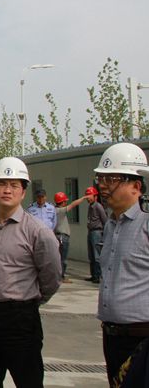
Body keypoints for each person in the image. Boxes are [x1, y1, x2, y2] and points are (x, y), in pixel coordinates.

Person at [0, 157, 62, 388]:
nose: (7, 190)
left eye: (14, 185)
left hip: (20, 318)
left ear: (23, 192)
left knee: (27, 380)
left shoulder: (37, 231)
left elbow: (51, 276)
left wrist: (28, 302)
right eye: (1, 184)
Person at [92, 143, 149, 387]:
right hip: (112, 337)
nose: (104, 186)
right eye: (101, 179)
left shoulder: (146, 225)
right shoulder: (110, 226)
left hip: (142, 338)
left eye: (112, 179)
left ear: (136, 186)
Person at [52, 191, 87, 284]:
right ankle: (61, 276)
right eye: (65, 201)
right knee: (63, 258)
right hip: (62, 237)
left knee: (59, 257)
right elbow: (73, 204)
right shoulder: (60, 211)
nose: (66, 203)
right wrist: (83, 198)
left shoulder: (54, 210)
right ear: (62, 202)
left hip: (58, 236)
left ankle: (58, 276)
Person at [84, 186, 107, 283]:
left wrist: (104, 233)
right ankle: (93, 275)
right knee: (91, 255)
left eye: (90, 196)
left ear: (95, 196)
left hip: (97, 232)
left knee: (96, 254)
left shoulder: (98, 206)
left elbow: (104, 220)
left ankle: (98, 275)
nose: (88, 198)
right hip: (90, 231)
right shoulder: (90, 206)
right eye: (87, 196)